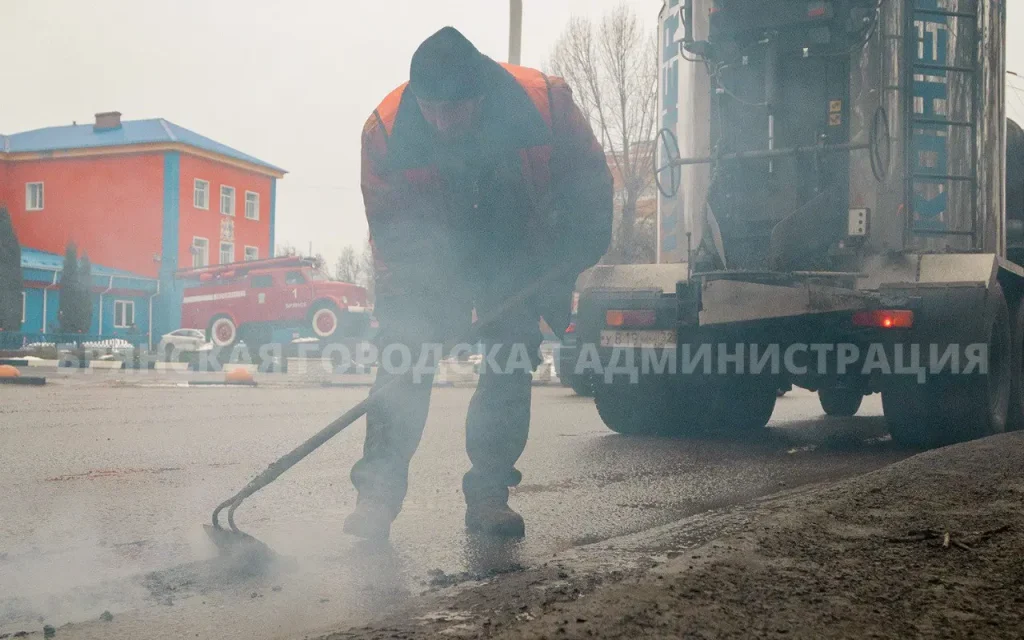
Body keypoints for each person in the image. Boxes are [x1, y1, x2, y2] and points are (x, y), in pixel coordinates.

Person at [345, 26, 612, 540]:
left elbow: (591, 182)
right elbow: (391, 231)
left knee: (510, 359)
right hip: (430, 256)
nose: (443, 122)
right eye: (432, 109)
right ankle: (376, 498)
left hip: (514, 250)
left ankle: (489, 495)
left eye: (456, 109)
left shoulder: (546, 105)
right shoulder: (385, 131)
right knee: (403, 358)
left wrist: (570, 254)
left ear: (481, 95)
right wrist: (424, 305)